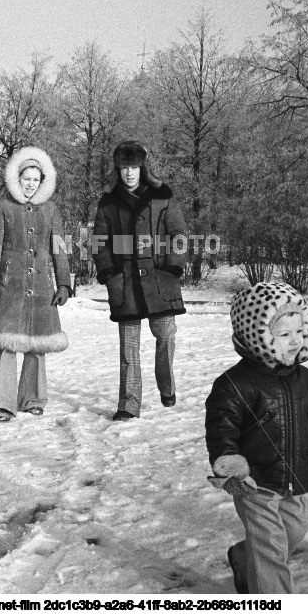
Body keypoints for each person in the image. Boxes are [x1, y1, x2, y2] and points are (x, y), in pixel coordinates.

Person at [205, 281, 308, 594]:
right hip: (253, 483)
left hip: (295, 478)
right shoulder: (234, 385)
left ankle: (242, 557)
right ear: (258, 336)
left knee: (293, 529)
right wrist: (231, 465)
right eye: (284, 334)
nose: (295, 341)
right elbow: (222, 428)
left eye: (300, 332)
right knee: (272, 547)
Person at [93, 140, 188, 421]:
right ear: (118, 170)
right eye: (124, 168)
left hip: (160, 279)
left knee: (166, 335)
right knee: (128, 348)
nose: (129, 173)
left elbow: (179, 235)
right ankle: (129, 403)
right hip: (125, 282)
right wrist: (110, 275)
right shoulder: (108, 202)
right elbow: (99, 243)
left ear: (142, 168)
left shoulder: (162, 195)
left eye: (134, 167)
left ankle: (167, 386)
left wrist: (172, 267)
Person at [0, 146, 71, 422]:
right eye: (26, 179)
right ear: (16, 179)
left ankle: (32, 398)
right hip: (10, 285)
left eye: (36, 179)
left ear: (42, 181)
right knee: (7, 343)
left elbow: (59, 248)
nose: (31, 184)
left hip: (43, 285)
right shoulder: (4, 207)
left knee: (37, 344)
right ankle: (2, 403)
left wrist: (64, 284)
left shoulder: (51, 209)